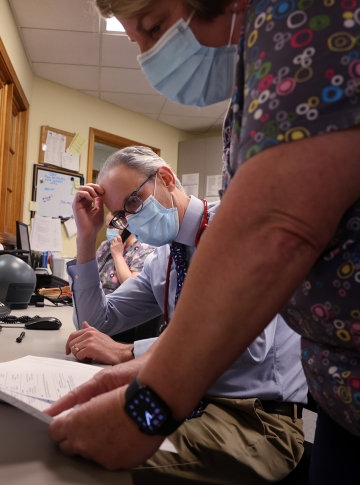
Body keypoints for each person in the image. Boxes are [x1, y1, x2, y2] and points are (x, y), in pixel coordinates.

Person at [46, 0, 360, 483]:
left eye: (155, 26)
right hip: (351, 399)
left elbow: (278, 231)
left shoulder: (325, 12)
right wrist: (139, 364)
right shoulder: (253, 89)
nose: (149, 54)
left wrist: (146, 400)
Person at [63, 146, 308, 483]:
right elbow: (98, 321)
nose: (131, 220)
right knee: (75, 435)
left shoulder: (239, 225)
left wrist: (130, 352)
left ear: (165, 178)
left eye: (133, 202)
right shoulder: (161, 260)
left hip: (253, 417)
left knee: (99, 464)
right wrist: (86, 239)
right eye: (122, 215)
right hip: (178, 399)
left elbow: (248, 347)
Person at [98, 212, 154, 295]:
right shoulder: (105, 246)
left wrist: (117, 256)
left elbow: (132, 288)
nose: (109, 231)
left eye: (112, 227)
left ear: (128, 225)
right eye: (107, 227)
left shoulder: (145, 250)